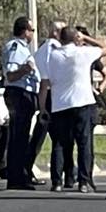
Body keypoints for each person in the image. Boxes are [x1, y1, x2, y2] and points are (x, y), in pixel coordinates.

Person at [41, 24, 106, 191]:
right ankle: (83, 181)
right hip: (82, 102)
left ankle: (57, 181)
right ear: (75, 38)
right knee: (84, 142)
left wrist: (42, 107)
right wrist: (85, 38)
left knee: (60, 144)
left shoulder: (53, 56)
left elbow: (45, 83)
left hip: (60, 104)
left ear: (61, 39)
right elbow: (104, 49)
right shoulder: (82, 53)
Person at [0, 15, 45, 190]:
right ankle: (15, 177)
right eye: (32, 30)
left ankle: (19, 175)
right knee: (17, 137)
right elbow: (10, 75)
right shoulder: (16, 48)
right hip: (19, 95)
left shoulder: (24, 49)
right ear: (25, 31)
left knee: (22, 137)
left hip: (25, 95)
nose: (33, 33)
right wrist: (26, 69)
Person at [32, 19, 69, 190]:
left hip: (45, 96)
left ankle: (26, 167)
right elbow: (46, 80)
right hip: (51, 97)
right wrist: (43, 107)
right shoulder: (53, 49)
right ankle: (64, 176)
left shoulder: (42, 48)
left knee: (40, 137)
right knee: (61, 139)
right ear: (56, 32)